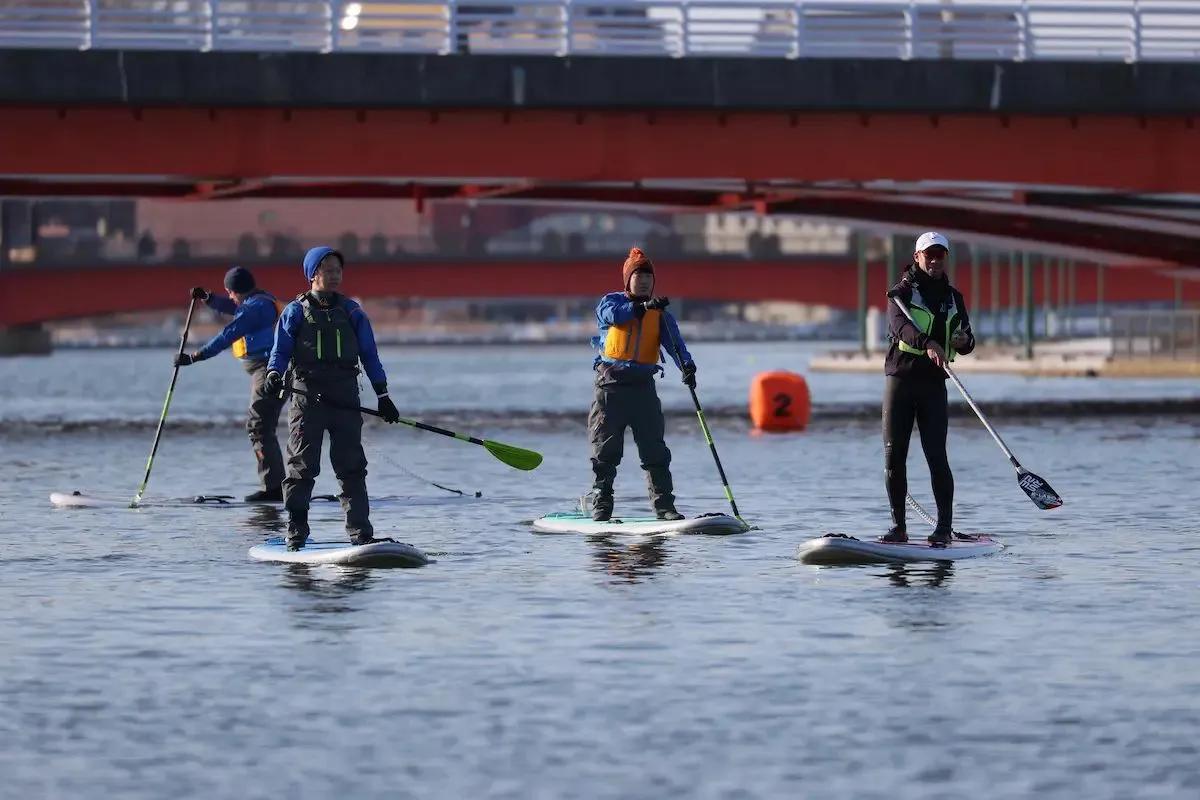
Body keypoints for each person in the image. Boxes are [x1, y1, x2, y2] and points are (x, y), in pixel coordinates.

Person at [265, 246, 401, 550]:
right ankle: (296, 532)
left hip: (345, 397)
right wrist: (274, 374)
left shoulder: (352, 311)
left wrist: (383, 395)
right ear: (313, 274)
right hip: (306, 397)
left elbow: (370, 355)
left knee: (351, 467)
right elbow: (280, 352)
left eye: (338, 270)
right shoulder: (294, 312)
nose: (335, 275)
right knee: (301, 467)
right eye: (328, 269)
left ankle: (361, 534)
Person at [586, 247, 697, 522]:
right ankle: (602, 503)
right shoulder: (609, 303)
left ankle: (664, 507)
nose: (645, 281)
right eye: (639, 276)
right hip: (610, 387)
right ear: (628, 280)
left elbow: (675, 344)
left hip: (643, 389)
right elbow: (616, 316)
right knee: (606, 449)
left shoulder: (660, 315)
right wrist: (641, 307)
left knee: (655, 450)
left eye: (649, 276)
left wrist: (687, 366)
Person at [882, 232, 976, 546]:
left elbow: (967, 338)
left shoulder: (954, 297)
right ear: (917, 256)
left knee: (937, 457)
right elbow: (901, 328)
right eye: (929, 255)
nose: (934, 261)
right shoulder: (900, 293)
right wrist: (928, 343)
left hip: (934, 384)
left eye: (940, 256)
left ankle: (943, 528)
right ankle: (899, 528)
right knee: (895, 457)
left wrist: (964, 343)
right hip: (901, 382)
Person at [174, 267, 286, 502]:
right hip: (265, 369)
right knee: (262, 426)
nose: (231, 298)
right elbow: (231, 306)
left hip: (269, 370)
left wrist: (195, 357)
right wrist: (208, 299)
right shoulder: (258, 301)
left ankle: (274, 489)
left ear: (233, 290)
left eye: (230, 293)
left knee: (258, 426)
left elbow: (227, 335)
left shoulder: (254, 309)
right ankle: (277, 485)